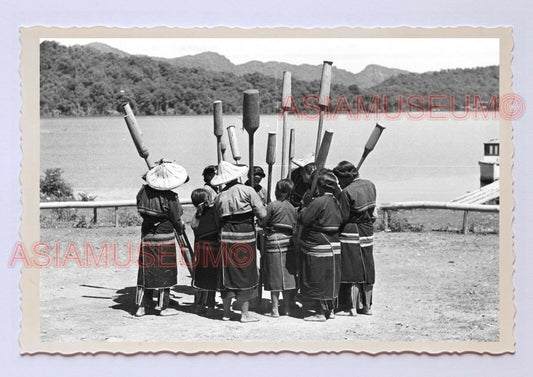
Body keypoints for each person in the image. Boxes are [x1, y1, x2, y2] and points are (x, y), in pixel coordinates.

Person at [212, 161, 267, 322]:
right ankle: (244, 314)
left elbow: (217, 221)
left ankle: (226, 313)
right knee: (245, 273)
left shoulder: (220, 196)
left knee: (227, 273)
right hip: (245, 238)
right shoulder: (248, 191)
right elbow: (262, 214)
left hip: (226, 238)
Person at [134, 159, 188, 317]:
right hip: (165, 236)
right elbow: (176, 218)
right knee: (166, 270)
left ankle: (141, 307)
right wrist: (180, 228)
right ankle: (163, 307)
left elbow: (141, 210)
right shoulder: (171, 197)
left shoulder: (142, 193)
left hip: (147, 235)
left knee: (146, 270)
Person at [333, 160, 377, 316]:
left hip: (351, 231)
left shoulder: (347, 192)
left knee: (352, 269)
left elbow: (343, 217)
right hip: (368, 230)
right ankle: (366, 306)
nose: (339, 183)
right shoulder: (370, 185)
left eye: (340, 180)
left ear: (345, 177)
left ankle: (350, 308)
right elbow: (372, 211)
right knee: (367, 266)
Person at [298, 169, 343, 321]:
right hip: (334, 242)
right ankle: (329, 311)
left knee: (317, 276)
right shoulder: (336, 200)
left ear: (320, 186)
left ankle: (319, 313)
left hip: (318, 243)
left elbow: (304, 219)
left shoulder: (318, 202)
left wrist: (304, 206)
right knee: (330, 278)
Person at [258, 179, 298, 317]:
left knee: (274, 275)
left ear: (278, 191)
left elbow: (263, 221)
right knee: (287, 276)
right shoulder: (292, 208)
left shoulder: (272, 205)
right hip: (289, 243)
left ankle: (275, 308)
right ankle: (286, 307)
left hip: (274, 241)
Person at [190, 188, 221, 317]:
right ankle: (210, 305)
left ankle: (199, 305)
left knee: (200, 276)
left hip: (200, 248)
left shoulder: (197, 215)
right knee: (212, 277)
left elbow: (194, 227)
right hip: (213, 248)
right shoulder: (211, 212)